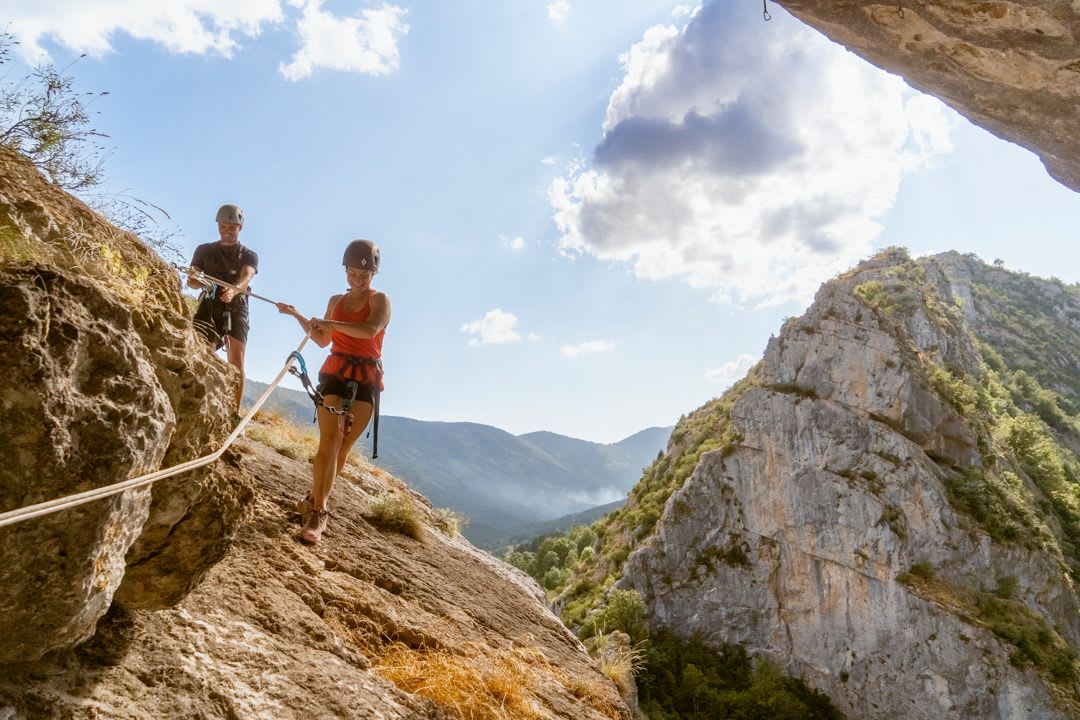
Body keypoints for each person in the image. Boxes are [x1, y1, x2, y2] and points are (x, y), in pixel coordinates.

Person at [277, 239, 390, 544]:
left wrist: (330, 322)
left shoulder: (380, 300)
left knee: (343, 447)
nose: (357, 279)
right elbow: (322, 339)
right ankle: (319, 513)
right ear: (345, 271)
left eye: (364, 275)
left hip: (366, 377)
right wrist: (297, 315)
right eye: (352, 273)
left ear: (373, 274)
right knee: (330, 439)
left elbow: (370, 331)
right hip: (336, 373)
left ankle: (311, 501)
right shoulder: (335, 301)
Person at [187, 204, 258, 413]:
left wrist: (233, 291)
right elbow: (192, 280)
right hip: (209, 304)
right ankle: (194, 401)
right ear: (218, 225)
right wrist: (197, 279)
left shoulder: (248, 255)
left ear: (239, 228)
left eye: (231, 227)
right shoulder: (204, 250)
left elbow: (246, 277)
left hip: (237, 307)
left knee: (236, 360)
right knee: (199, 350)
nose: (227, 231)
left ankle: (233, 413)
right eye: (223, 227)